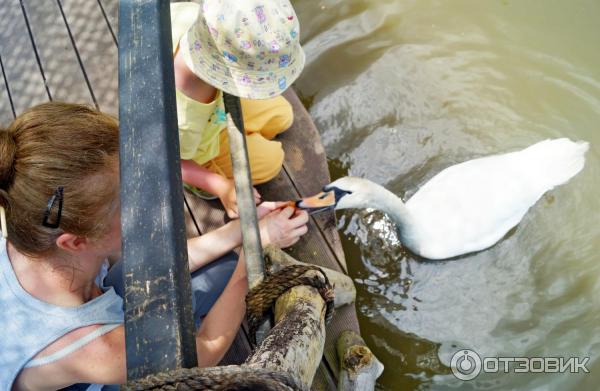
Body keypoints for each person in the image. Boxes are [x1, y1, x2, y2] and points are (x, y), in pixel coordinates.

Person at [0, 102, 308, 390]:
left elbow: (155, 264)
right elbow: (205, 351)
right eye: (130, 199)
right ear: (77, 241)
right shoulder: (93, 349)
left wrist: (244, 230)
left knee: (219, 270)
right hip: (93, 372)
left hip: (87, 315)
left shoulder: (39, 234)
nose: (149, 198)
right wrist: (253, 255)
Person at [171, 0, 305, 218]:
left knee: (282, 114)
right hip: (200, 149)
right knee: (272, 160)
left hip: (216, 109)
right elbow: (172, 161)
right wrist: (221, 187)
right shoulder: (182, 119)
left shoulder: (195, 17)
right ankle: (204, 184)